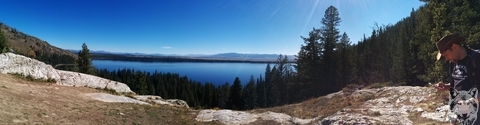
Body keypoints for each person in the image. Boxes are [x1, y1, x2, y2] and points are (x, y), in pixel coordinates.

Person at [435, 34, 480, 124]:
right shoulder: (453, 62)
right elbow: (458, 81)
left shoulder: (476, 58)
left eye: (446, 55)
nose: (446, 58)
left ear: (455, 47)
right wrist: (447, 86)